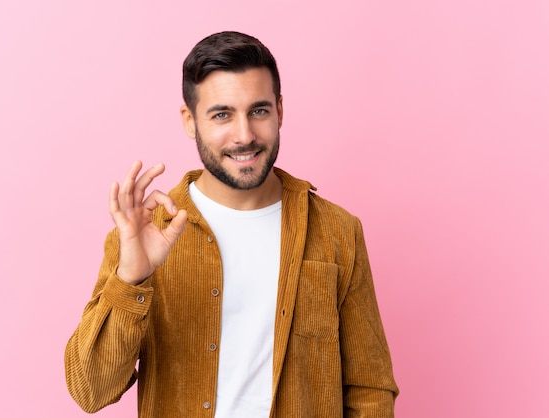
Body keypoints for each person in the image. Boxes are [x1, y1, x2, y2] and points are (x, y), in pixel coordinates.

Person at [65, 31, 399, 417]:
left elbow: (370, 389)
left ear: (280, 111)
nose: (245, 135)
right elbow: (90, 390)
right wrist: (131, 279)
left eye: (258, 111)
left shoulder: (337, 231)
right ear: (190, 121)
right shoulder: (142, 235)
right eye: (222, 114)